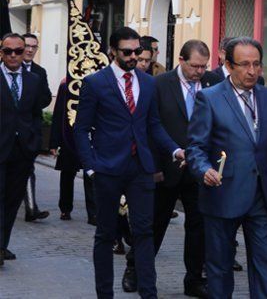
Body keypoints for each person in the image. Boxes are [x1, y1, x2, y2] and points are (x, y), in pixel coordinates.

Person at [73, 26, 186, 299]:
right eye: (128, 51)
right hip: (107, 168)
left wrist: (174, 150)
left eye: (138, 51)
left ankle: (149, 293)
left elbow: (154, 125)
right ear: (113, 51)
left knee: (145, 232)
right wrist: (90, 166)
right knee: (105, 234)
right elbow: (81, 129)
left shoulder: (147, 83)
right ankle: (104, 294)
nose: (134, 56)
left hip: (141, 168)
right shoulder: (95, 82)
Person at [187, 37, 267, 298]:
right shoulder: (209, 98)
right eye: (244, 64)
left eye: (257, 64)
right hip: (223, 194)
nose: (252, 71)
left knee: (264, 265)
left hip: (262, 195)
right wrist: (204, 170)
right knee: (220, 268)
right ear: (228, 64)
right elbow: (195, 147)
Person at [123, 40, 221, 298]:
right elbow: (148, 127)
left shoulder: (213, 83)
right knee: (154, 223)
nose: (200, 71)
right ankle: (135, 269)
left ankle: (194, 279)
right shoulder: (159, 84)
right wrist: (153, 166)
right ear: (181, 60)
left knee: (198, 226)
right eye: (195, 66)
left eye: (204, 66)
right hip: (167, 167)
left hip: (200, 169)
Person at [0, 33, 46, 266]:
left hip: (22, 151)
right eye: (9, 51)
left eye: (18, 51)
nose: (14, 55)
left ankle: (2, 245)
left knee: (12, 201)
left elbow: (36, 115)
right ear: (2, 52)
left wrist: (35, 143)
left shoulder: (33, 80)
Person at [49, 78, 96, 223]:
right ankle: (65, 208)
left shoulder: (98, 83)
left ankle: (93, 212)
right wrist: (54, 142)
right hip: (69, 133)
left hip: (90, 134)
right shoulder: (66, 85)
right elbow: (58, 114)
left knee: (91, 175)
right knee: (68, 173)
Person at [21, 33, 52, 222]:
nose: (30, 50)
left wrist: (30, 101)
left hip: (30, 128)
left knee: (27, 168)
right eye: (27, 46)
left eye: (34, 46)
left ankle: (31, 208)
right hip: (8, 129)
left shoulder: (39, 72)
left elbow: (46, 97)